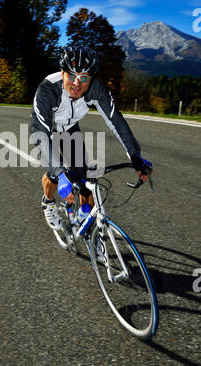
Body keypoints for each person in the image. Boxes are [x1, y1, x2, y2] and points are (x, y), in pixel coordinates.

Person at [30, 46, 152, 231]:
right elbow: (40, 133)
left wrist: (134, 155)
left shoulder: (96, 89)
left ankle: (88, 223)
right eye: (71, 76)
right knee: (56, 174)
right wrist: (59, 172)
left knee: (86, 177)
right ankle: (48, 202)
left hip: (70, 129)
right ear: (62, 73)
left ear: (91, 79)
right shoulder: (47, 90)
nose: (77, 84)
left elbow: (116, 121)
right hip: (48, 130)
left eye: (84, 78)